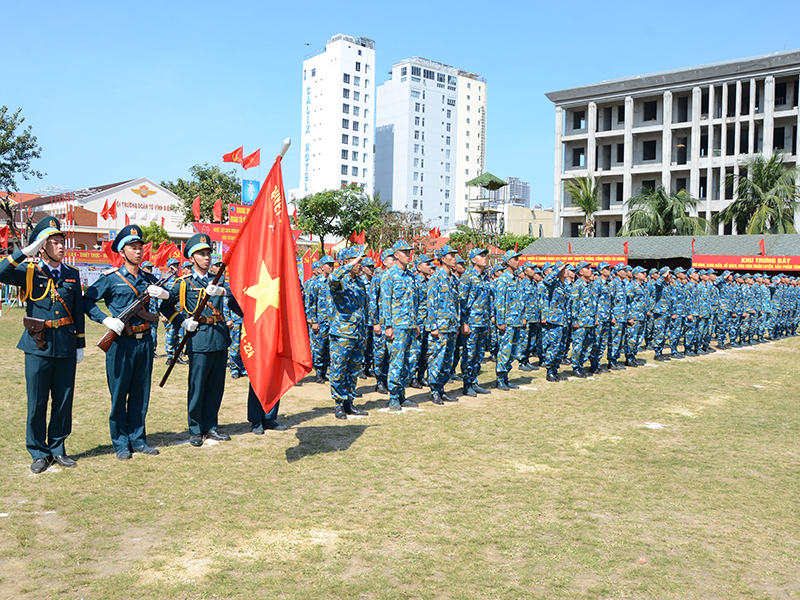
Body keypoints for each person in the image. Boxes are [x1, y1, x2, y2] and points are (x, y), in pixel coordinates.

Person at [0, 216, 85, 473]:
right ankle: (38, 452)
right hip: (38, 345)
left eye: (62, 241)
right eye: (54, 242)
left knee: (63, 400)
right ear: (42, 245)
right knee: (37, 401)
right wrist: (26, 252)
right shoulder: (29, 271)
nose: (61, 246)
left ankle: (58, 448)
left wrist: (79, 344)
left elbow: (78, 311)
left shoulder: (72, 274)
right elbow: (1, 272)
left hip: (66, 345)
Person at [84, 224, 166, 460]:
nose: (139, 251)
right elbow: (87, 301)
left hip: (145, 342)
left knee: (141, 393)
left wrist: (164, 294)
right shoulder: (110, 279)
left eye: (141, 247)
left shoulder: (149, 279)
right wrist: (106, 320)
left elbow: (168, 301)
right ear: (122, 251)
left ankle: (138, 439)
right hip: (120, 343)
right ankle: (120, 442)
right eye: (133, 247)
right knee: (120, 393)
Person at [159, 233, 233, 447]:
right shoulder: (183, 283)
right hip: (199, 339)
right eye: (201, 254)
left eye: (208, 253)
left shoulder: (218, 281)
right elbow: (166, 306)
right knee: (197, 386)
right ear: (192, 258)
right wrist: (182, 322)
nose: (207, 257)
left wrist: (223, 291)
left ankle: (211, 427)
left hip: (219, 337)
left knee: (216, 387)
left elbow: (234, 297)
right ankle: (195, 428)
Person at [328, 247, 370, 419]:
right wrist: (349, 265)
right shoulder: (339, 280)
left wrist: (365, 332)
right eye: (357, 261)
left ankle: (349, 403)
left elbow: (364, 308)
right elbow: (332, 277)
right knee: (339, 369)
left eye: (360, 261)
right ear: (346, 262)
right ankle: (338, 403)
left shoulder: (360, 282)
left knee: (353, 370)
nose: (360, 264)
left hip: (358, 332)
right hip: (342, 333)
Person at [381, 240, 420, 410]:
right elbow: (385, 302)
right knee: (396, 362)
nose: (408, 255)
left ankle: (402, 393)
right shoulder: (388, 276)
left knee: (409, 362)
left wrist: (416, 322)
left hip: (410, 326)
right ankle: (394, 396)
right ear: (396, 255)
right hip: (396, 326)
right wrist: (388, 326)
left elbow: (415, 302)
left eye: (409, 252)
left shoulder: (411, 277)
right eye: (404, 252)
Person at [425, 245, 460, 404]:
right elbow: (431, 304)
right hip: (439, 327)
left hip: (451, 326)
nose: (454, 258)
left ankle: (441, 388)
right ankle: (434, 391)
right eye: (451, 256)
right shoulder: (435, 278)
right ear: (443, 259)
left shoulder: (453, 279)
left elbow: (455, 303)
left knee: (448, 360)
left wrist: (457, 324)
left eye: (454, 256)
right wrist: (433, 326)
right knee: (436, 360)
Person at [458, 248, 492, 397]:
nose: (484, 258)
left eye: (485, 256)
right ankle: (467, 384)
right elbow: (462, 302)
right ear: (473, 260)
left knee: (479, 355)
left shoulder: (485, 277)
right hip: (471, 322)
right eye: (481, 256)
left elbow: (487, 301)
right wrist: (463, 322)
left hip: (483, 322)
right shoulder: (467, 277)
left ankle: (474, 381)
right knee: (469, 354)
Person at [493, 249, 524, 390]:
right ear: (508, 262)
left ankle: (506, 378)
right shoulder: (503, 280)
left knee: (512, 352)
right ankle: (500, 378)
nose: (518, 261)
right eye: (515, 259)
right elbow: (499, 302)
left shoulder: (515, 279)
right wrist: (500, 321)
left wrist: (522, 317)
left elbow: (518, 301)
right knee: (504, 351)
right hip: (507, 322)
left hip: (515, 321)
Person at [305, 255, 334, 383]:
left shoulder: (334, 282)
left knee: (328, 347)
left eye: (332, 264)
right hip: (320, 321)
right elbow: (310, 302)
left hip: (332, 321)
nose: (331, 267)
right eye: (329, 265)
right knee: (319, 347)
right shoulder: (315, 283)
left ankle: (324, 372)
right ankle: (318, 372)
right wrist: (313, 320)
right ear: (322, 267)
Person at [569, 261, 596, 377]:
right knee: (578, 346)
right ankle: (576, 367)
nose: (590, 270)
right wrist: (574, 321)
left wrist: (595, 318)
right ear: (581, 272)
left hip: (589, 322)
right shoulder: (577, 285)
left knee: (587, 346)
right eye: (587, 268)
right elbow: (574, 304)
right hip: (580, 323)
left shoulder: (588, 285)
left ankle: (581, 365)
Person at [162, 258, 186, 365]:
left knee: (180, 335)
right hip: (169, 313)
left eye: (177, 265)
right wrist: (163, 314)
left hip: (180, 313)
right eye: (174, 265)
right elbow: (160, 298)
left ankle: (178, 355)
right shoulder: (165, 281)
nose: (176, 267)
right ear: (169, 267)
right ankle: (169, 356)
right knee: (170, 335)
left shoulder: (181, 281)